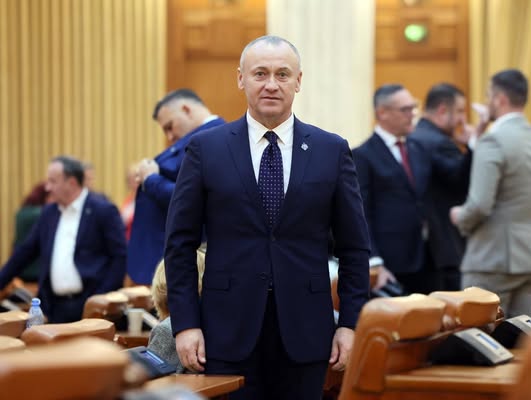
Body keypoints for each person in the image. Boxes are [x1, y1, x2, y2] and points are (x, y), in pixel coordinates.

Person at [164, 35, 370, 399]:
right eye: (260, 73)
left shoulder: (331, 150)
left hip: (307, 334)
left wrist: (351, 324)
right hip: (224, 333)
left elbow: (354, 248)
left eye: (282, 74)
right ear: (241, 79)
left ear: (298, 81)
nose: (271, 84)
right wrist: (185, 324)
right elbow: (179, 244)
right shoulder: (206, 149)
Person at [450, 69, 531, 317]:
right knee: (521, 336)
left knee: (479, 336)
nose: (487, 102)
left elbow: (479, 205)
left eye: (489, 96)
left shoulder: (493, 140)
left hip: (492, 258)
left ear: (500, 99)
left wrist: (459, 216)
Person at [353, 84, 472, 295]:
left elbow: (456, 178)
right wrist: (374, 261)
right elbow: (360, 214)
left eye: (413, 107)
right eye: (405, 109)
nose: (412, 114)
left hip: (430, 257)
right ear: (382, 113)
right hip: (393, 264)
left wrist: (470, 147)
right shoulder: (363, 155)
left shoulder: (418, 148)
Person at [0, 156, 127, 323]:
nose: (47, 187)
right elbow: (24, 253)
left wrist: (101, 297)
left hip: (90, 306)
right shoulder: (48, 213)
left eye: (53, 181)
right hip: (54, 307)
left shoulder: (103, 211)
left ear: (72, 183)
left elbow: (120, 257)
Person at [127, 89, 225, 285]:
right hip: (172, 261)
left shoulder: (215, 138)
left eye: (169, 126)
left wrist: (151, 180)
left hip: (189, 263)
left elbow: (194, 199)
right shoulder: (201, 139)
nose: (170, 136)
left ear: (186, 109)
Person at [411, 83, 471, 291]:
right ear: (443, 111)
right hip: (445, 247)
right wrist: (471, 147)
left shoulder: (411, 137)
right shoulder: (439, 143)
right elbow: (465, 184)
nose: (463, 119)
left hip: (418, 251)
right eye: (460, 111)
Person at [13, 181, 54, 282]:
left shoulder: (21, 212)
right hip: (36, 268)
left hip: (19, 266)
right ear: (46, 197)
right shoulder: (43, 214)